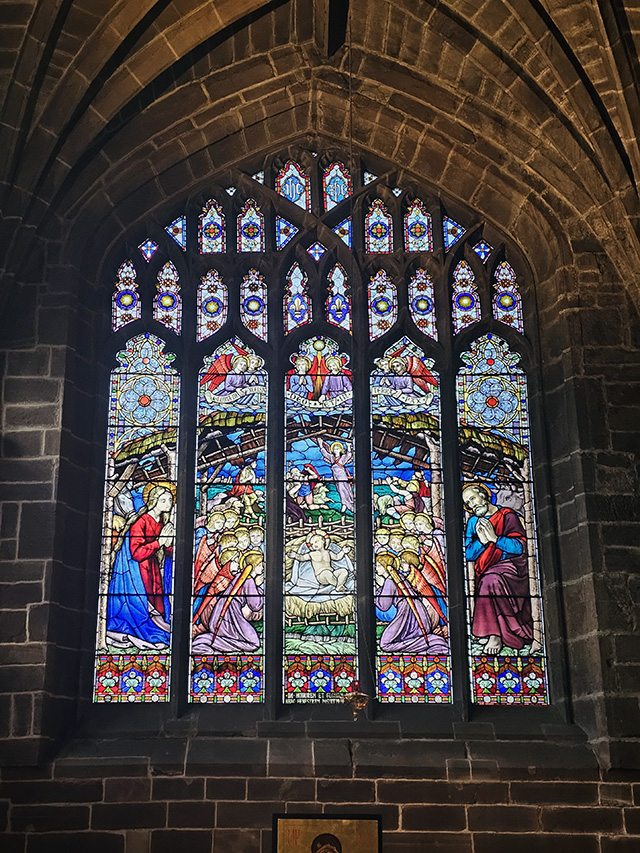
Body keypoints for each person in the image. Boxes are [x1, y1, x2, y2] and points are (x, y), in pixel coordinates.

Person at [462, 482, 540, 655]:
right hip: (487, 569)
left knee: (490, 580)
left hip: (513, 568)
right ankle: (491, 630)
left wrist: (495, 539)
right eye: (467, 503)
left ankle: (495, 635)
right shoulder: (473, 522)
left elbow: (520, 547)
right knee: (488, 578)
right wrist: (482, 542)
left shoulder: (507, 516)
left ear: (484, 494)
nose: (472, 504)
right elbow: (468, 553)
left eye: (473, 498)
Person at [106, 483, 175, 649]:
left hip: (152, 568)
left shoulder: (162, 521)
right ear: (154, 501)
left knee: (157, 603)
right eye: (164, 500)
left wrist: (169, 543)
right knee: (145, 608)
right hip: (136, 571)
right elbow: (136, 552)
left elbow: (167, 548)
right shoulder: (141, 522)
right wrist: (159, 542)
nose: (169, 503)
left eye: (170, 500)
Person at [375, 549, 448, 654]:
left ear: (384, 566)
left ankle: (431, 642)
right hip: (415, 612)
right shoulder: (398, 577)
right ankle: (428, 642)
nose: (376, 569)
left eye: (378, 566)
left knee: (384, 644)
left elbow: (383, 606)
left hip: (407, 614)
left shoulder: (389, 581)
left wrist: (376, 594)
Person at [317, 438, 354, 514]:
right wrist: (321, 445)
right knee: (340, 490)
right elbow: (325, 454)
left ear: (341, 450)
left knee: (343, 490)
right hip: (336, 477)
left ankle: (345, 504)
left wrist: (348, 446)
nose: (336, 450)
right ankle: (345, 503)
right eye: (334, 448)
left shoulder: (342, 458)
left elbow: (349, 455)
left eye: (337, 448)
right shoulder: (332, 457)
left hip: (342, 477)